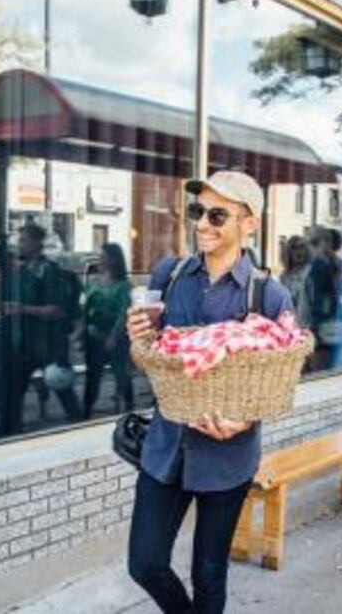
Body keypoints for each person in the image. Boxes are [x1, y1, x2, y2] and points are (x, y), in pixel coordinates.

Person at [125, 170, 294, 614]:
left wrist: (246, 420)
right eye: (198, 211)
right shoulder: (170, 274)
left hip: (228, 456)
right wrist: (136, 339)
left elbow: (279, 381)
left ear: (249, 223)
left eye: (217, 215)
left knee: (209, 572)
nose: (202, 224)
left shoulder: (269, 296)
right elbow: (146, 361)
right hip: (165, 447)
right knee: (144, 563)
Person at [0, 223, 82, 434]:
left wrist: (22, 309)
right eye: (19, 240)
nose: (20, 244)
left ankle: (79, 425)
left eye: (23, 240)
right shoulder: (22, 270)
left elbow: (56, 310)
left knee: (60, 384)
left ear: (37, 243)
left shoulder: (50, 271)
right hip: (26, 343)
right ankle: (11, 430)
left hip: (48, 343)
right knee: (14, 389)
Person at [83, 243, 134, 414]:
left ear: (112, 260)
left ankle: (128, 408)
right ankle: (86, 411)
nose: (99, 259)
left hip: (116, 338)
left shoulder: (124, 285)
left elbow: (124, 313)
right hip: (95, 336)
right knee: (93, 377)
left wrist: (113, 336)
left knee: (121, 375)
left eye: (102, 256)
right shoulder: (93, 282)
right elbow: (85, 308)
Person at [307, 227, 342, 370]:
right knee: (320, 352)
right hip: (320, 314)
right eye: (325, 241)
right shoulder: (318, 263)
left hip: (330, 313)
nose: (327, 245)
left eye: (329, 241)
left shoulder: (334, 262)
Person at [280, 235, 313, 328]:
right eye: (294, 248)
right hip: (290, 325)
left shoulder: (311, 272)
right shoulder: (284, 276)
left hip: (308, 324)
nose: (298, 252)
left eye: (301, 247)